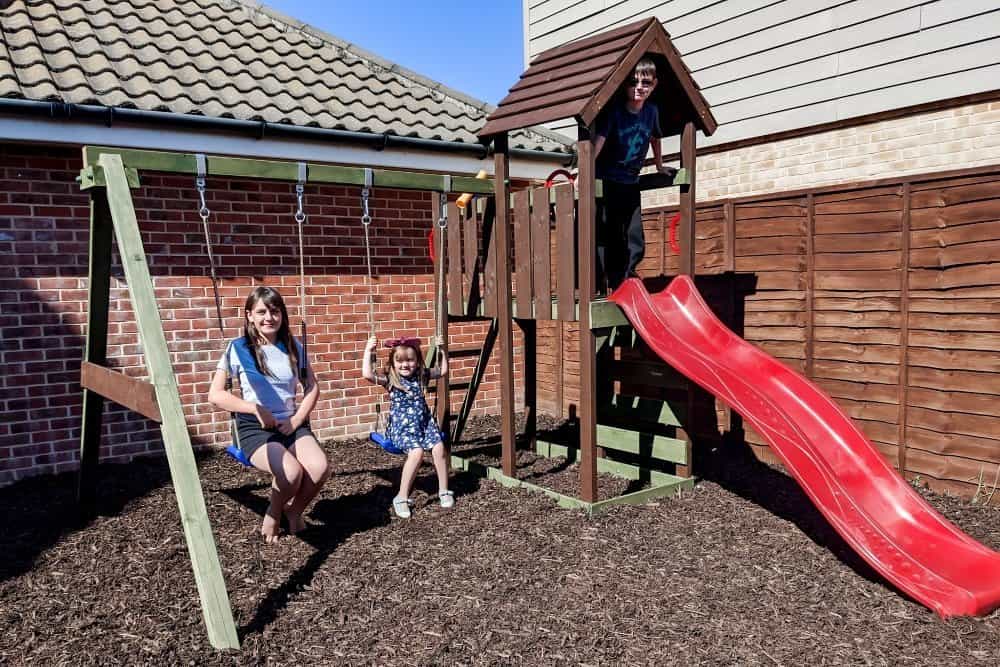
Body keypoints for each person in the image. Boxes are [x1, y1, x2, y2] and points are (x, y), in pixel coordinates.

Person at [207, 286, 327, 543]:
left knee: (320, 468)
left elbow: (312, 386)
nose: (269, 317)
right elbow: (215, 395)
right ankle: (273, 513)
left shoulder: (292, 346)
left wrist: (296, 419)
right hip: (255, 427)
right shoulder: (238, 348)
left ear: (282, 314)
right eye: (261, 311)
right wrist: (254, 408)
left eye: (275, 311)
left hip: (290, 423)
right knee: (291, 473)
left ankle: (292, 510)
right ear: (249, 315)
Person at [594, 56, 676, 291]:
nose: (639, 87)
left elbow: (655, 137)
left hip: (630, 181)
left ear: (654, 85)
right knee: (608, 232)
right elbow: (599, 141)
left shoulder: (651, 111)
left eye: (646, 83)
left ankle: (628, 275)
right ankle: (605, 280)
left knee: (634, 233)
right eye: (634, 82)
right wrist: (585, 170)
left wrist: (659, 165)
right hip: (606, 179)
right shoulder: (615, 111)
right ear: (625, 85)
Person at [362, 334, 451, 518]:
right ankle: (401, 497)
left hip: (424, 425)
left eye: (410, 360)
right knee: (417, 452)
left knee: (439, 447)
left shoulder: (422, 376)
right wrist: (368, 350)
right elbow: (367, 374)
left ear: (418, 361)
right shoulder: (392, 380)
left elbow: (442, 370)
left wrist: (442, 349)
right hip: (402, 429)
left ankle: (444, 490)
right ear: (393, 363)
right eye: (400, 361)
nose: (405, 365)